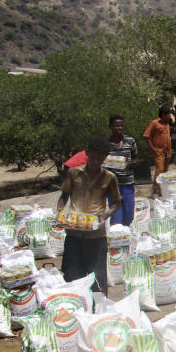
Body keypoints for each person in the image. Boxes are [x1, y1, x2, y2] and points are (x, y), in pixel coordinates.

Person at [57, 137, 122, 292]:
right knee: (72, 275)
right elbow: (64, 196)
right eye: (93, 157)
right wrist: (60, 212)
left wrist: (104, 216)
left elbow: (117, 203)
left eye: (101, 158)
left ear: (106, 157)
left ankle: (98, 311)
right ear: (87, 153)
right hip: (74, 232)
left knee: (97, 278)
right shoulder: (73, 174)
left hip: (96, 235)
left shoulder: (109, 178)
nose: (96, 161)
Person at [105, 115, 138, 226]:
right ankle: (117, 239)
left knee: (129, 216)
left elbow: (136, 159)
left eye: (121, 126)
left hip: (128, 184)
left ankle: (125, 236)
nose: (119, 128)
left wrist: (130, 163)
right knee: (116, 217)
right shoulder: (105, 144)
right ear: (110, 127)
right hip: (113, 185)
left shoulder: (130, 141)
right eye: (116, 126)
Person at [143, 105, 172, 196]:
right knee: (159, 170)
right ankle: (155, 190)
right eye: (169, 115)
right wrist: (153, 148)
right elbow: (146, 136)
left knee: (165, 171)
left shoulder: (167, 124)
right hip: (159, 151)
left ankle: (161, 189)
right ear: (163, 114)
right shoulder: (154, 123)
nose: (170, 117)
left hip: (167, 152)